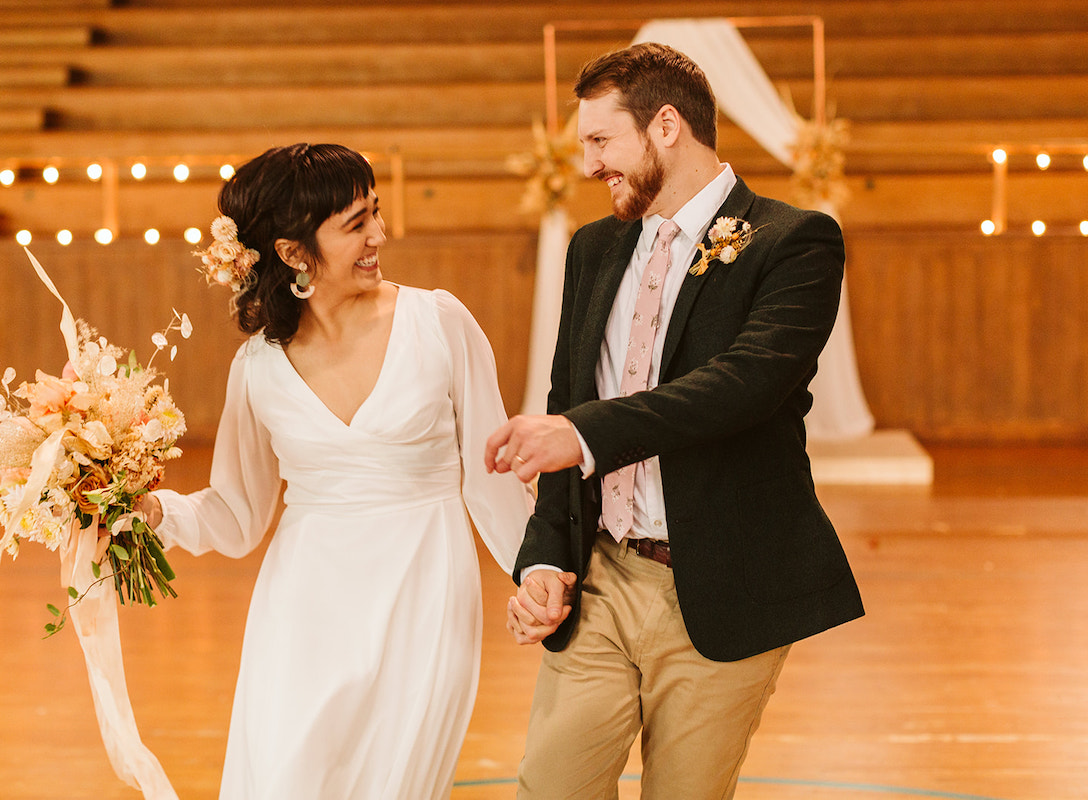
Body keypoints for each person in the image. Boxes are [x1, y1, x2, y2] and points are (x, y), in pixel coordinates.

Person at [484, 43, 865, 798]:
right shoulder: (593, 249)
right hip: (601, 577)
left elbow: (742, 386)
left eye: (600, 140)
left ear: (666, 126)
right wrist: (542, 562)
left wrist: (586, 433)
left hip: (723, 585)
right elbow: (570, 407)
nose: (590, 165)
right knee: (550, 786)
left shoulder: (794, 242)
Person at [138, 143, 530, 799]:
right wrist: (156, 513)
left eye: (375, 212)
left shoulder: (439, 322)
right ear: (294, 253)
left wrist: (539, 571)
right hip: (301, 606)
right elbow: (237, 515)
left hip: (425, 592)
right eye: (356, 224)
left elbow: (492, 479)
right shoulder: (257, 368)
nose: (380, 234)